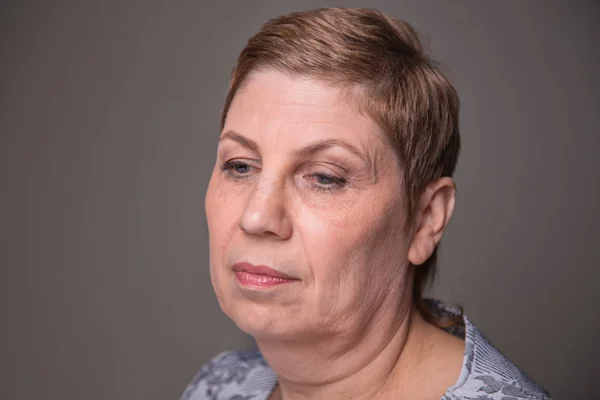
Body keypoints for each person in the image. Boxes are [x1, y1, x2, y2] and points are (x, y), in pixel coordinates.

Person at [181, 7, 551, 400]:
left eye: (324, 177)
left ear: (426, 219)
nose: (256, 217)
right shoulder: (218, 387)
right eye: (239, 166)